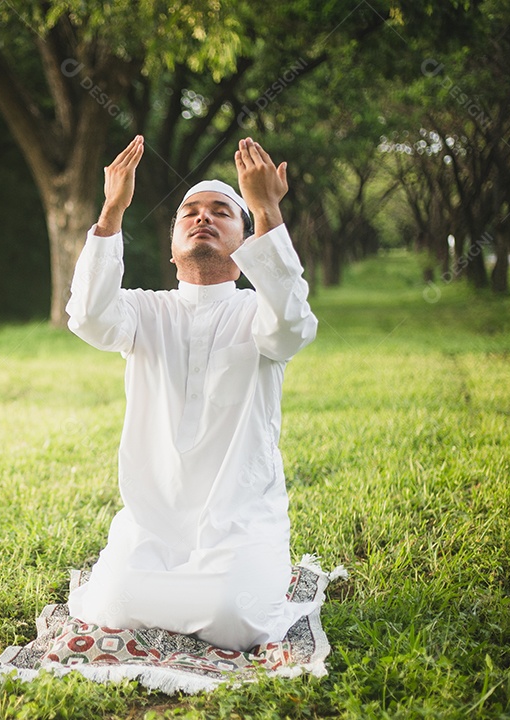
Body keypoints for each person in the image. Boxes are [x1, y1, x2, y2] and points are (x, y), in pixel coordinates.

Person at [65, 135, 319, 652]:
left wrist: (267, 210)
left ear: (247, 247)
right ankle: (171, 587)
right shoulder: (143, 310)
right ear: (172, 247)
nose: (203, 217)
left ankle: (217, 587)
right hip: (153, 527)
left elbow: (291, 326)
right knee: (110, 605)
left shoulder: (259, 312)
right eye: (190, 212)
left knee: (234, 619)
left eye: (222, 212)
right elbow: (89, 317)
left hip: (240, 523)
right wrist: (112, 209)